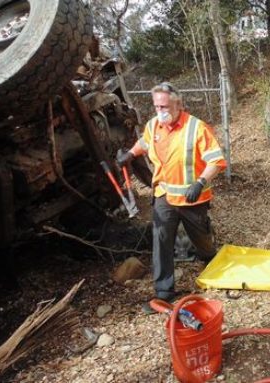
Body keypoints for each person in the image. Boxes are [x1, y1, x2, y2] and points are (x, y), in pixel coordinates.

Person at [117, 82, 226, 308]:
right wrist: (130, 154)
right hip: (164, 195)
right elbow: (144, 142)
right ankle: (164, 292)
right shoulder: (153, 126)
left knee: (202, 240)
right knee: (161, 240)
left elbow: (216, 161)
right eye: (157, 106)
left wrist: (200, 182)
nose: (160, 111)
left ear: (179, 104)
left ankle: (211, 260)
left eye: (165, 106)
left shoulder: (197, 128)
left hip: (192, 198)